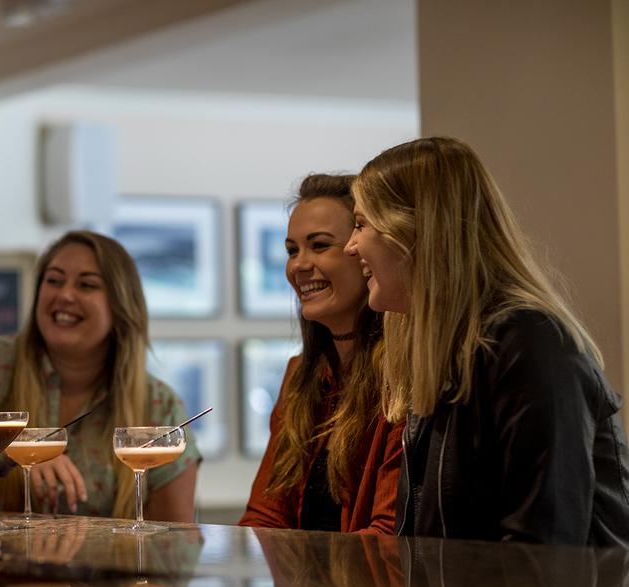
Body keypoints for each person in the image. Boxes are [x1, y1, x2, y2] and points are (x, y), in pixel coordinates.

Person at [345, 136, 629, 546]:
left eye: (360, 224)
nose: (350, 246)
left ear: (415, 230)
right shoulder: (444, 353)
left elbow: (541, 554)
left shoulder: (529, 344)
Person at [0, 230, 200, 521]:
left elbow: (174, 544)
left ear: (121, 305)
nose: (65, 295)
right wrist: (9, 451)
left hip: (110, 575)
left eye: (86, 285)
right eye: (53, 280)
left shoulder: (159, 405)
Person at [239, 174, 402, 533]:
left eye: (319, 245)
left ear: (362, 252)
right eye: (292, 250)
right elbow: (265, 517)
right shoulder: (300, 374)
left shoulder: (403, 375)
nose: (298, 265)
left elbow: (388, 534)